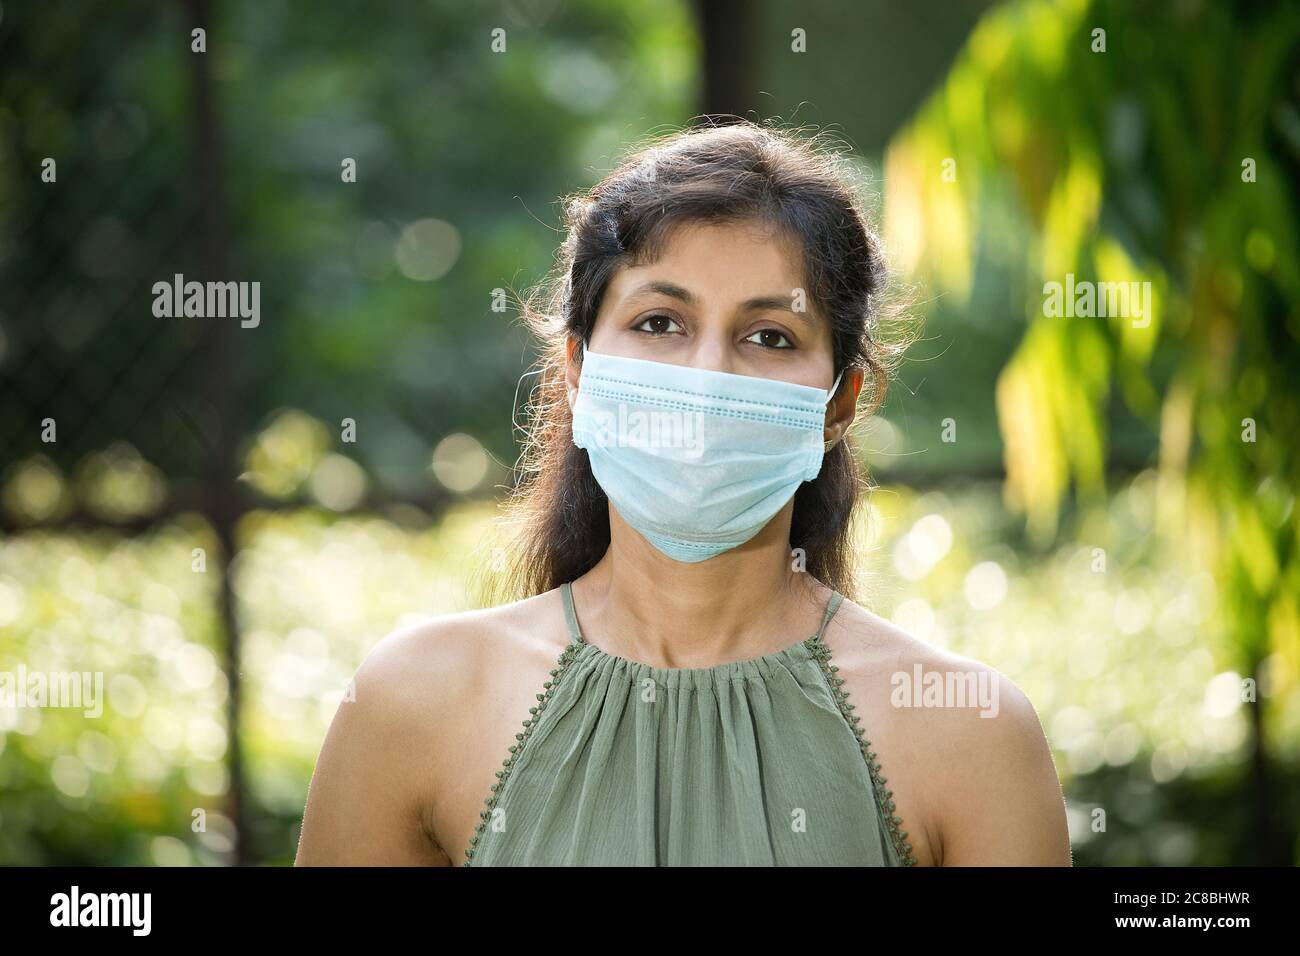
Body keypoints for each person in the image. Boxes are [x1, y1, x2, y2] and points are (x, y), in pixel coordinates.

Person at [294, 119, 1072, 867]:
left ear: (839, 404)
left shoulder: (968, 735)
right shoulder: (414, 704)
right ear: (578, 368)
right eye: (661, 322)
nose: (706, 379)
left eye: (769, 335)